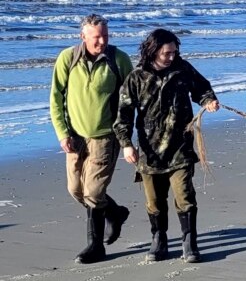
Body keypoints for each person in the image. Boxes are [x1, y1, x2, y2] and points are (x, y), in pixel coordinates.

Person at [113, 29, 219, 263]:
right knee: (154, 201)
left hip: (180, 146)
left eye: (175, 51)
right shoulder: (136, 77)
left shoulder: (182, 69)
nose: (172, 56)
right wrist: (126, 145)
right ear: (153, 51)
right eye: (167, 53)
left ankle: (189, 243)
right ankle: (159, 240)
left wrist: (209, 100)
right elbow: (124, 115)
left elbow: (201, 88)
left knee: (185, 195)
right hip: (149, 152)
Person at [49, 14, 134, 264]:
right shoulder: (68, 58)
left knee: (94, 192)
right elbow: (56, 98)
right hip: (75, 137)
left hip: (106, 137)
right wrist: (62, 133)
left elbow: (132, 98)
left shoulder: (119, 59)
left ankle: (95, 246)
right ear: (83, 36)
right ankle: (116, 213)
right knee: (75, 190)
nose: (102, 41)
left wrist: (127, 137)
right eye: (96, 37)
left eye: (105, 36)